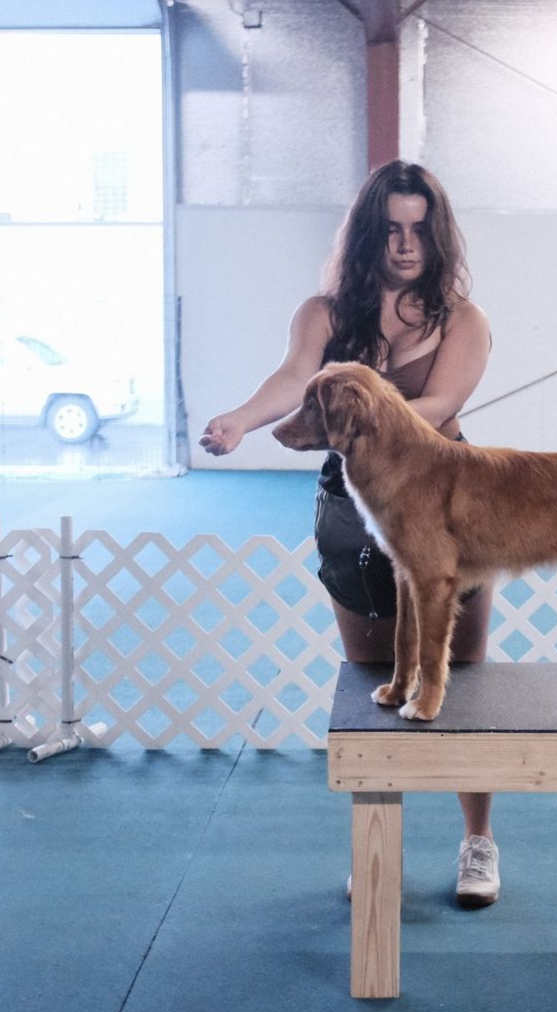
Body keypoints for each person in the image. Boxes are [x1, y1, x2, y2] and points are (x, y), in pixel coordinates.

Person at [200, 160, 500, 907]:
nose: (406, 244)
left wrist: (366, 408)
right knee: (375, 686)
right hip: (351, 506)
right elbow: (293, 375)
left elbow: (437, 405)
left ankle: (477, 842)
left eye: (419, 228)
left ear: (437, 233)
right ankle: (379, 847)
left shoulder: (462, 320)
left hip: (448, 500)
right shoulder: (324, 314)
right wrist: (242, 417)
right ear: (370, 232)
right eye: (392, 228)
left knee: (461, 677)